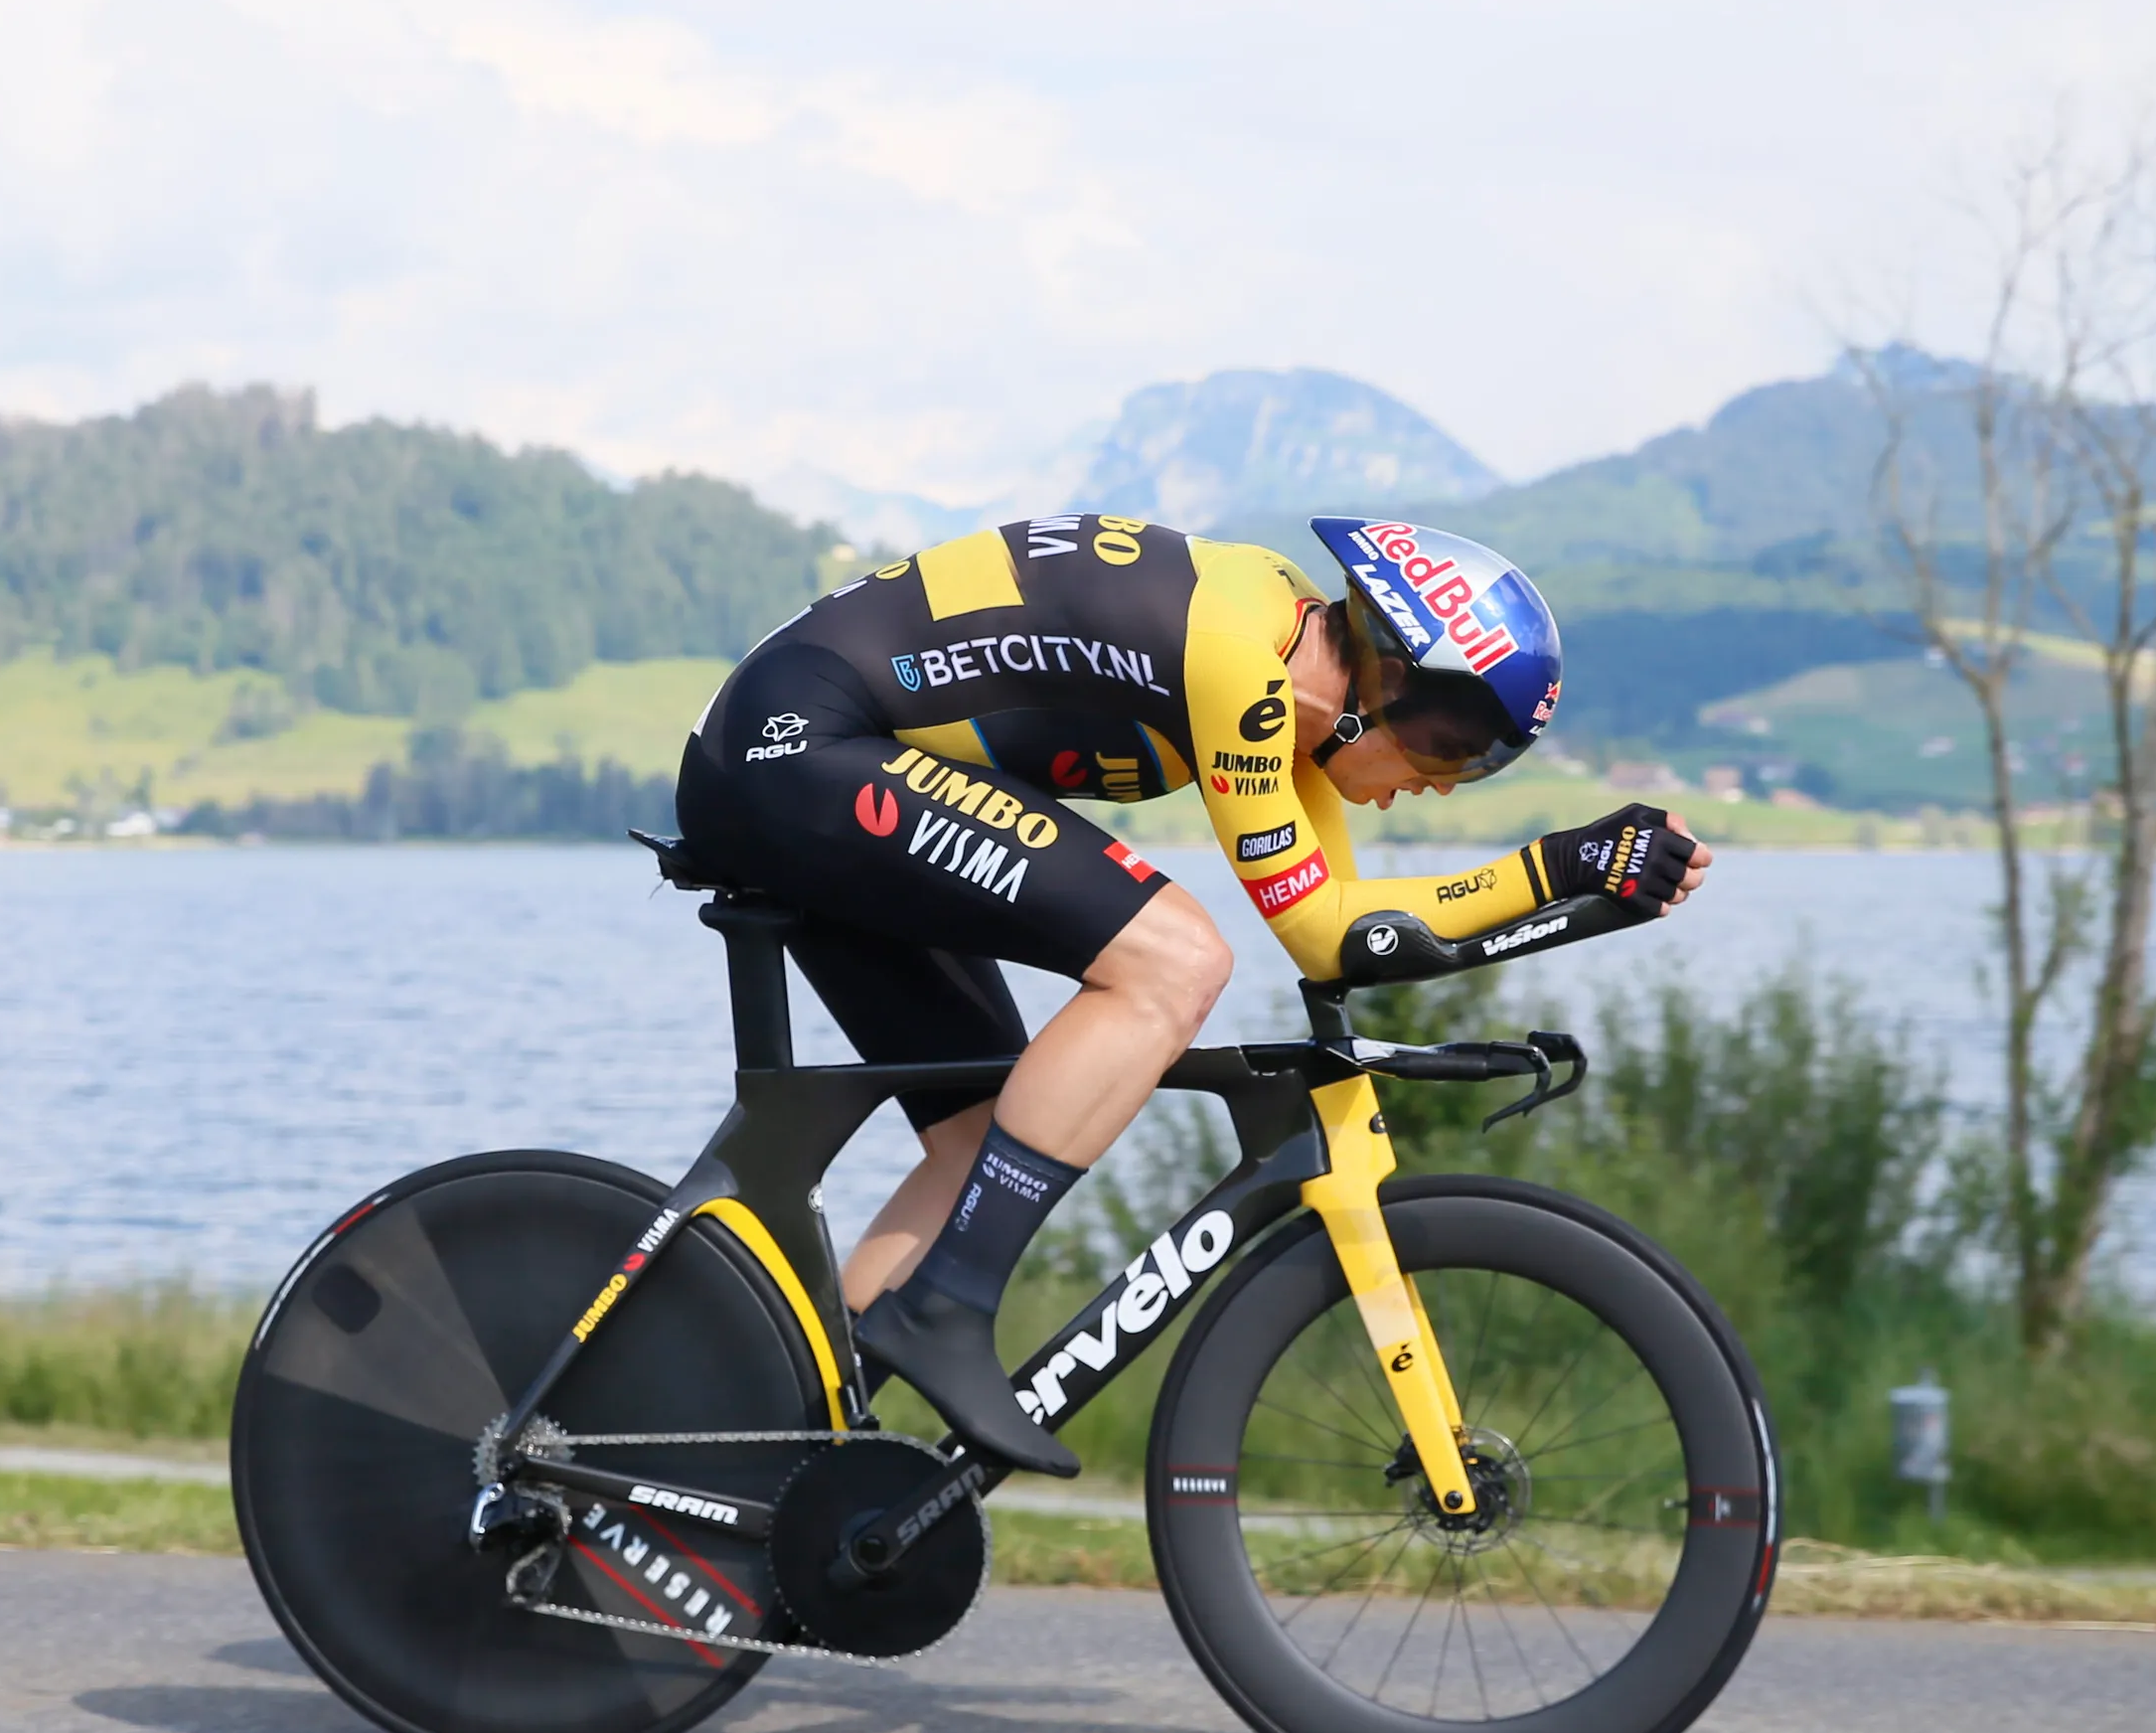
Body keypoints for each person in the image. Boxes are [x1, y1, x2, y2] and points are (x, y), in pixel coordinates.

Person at [672, 513, 1707, 1477]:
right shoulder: (1244, 668)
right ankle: (944, 1309)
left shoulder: (1305, 685)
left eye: (1479, 767)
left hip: (812, 754)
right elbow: (1313, 930)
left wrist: (1583, 887)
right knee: (1173, 961)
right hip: (797, 748)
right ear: (1387, 673)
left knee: (980, 1138)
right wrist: (1551, 867)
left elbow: (1342, 938)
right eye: (1453, 746)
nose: (1445, 782)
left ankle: (776, 1461)